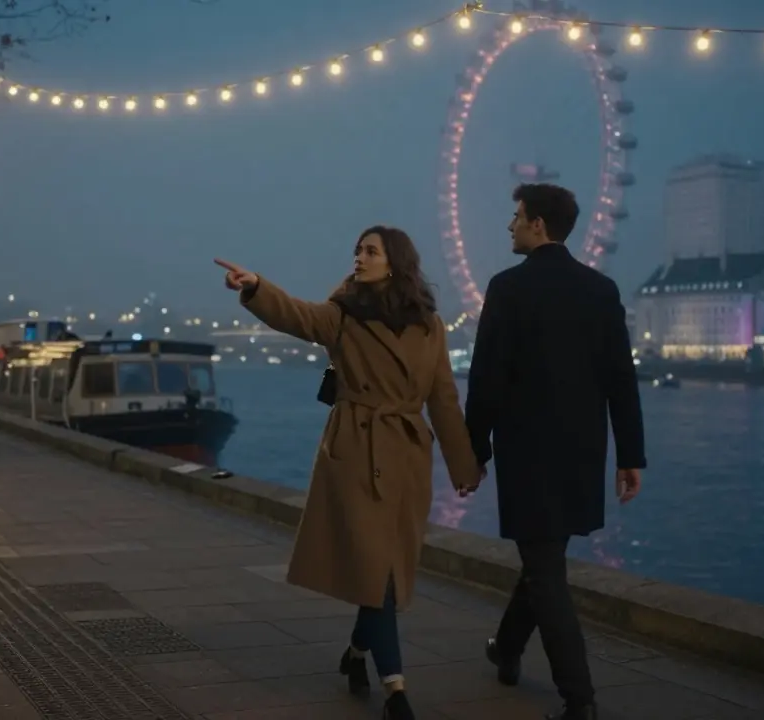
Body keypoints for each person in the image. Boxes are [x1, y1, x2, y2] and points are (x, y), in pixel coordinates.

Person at [215, 226, 480, 720]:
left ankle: (356, 654)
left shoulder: (431, 326)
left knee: (378, 570)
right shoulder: (343, 313)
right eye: (358, 250)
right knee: (377, 572)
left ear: (395, 262)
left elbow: (443, 398)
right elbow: (300, 316)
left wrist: (463, 464)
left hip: (404, 457)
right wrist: (256, 287)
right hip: (356, 451)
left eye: (371, 251)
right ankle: (396, 690)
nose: (360, 257)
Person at [465, 183, 646, 720]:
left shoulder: (507, 288)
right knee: (543, 559)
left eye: (516, 216)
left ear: (538, 224)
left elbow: (487, 381)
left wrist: (474, 451)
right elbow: (621, 379)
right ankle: (507, 649)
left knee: (545, 572)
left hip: (529, 455)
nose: (509, 225)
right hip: (583, 455)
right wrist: (630, 455)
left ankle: (579, 699)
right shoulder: (601, 289)